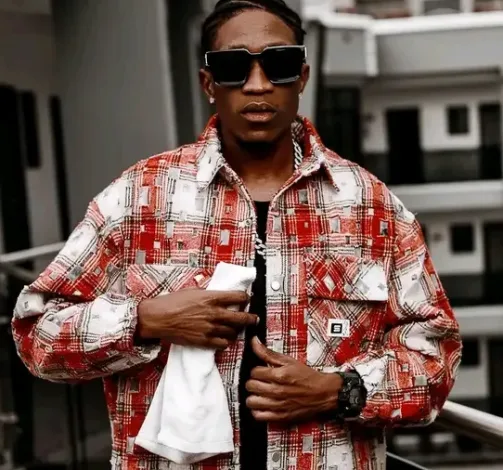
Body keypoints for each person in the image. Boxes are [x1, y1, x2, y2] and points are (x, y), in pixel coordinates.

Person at [12, 0, 462, 469]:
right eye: (233, 67)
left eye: (279, 63)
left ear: (302, 77)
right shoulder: (140, 197)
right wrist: (142, 321)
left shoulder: (370, 207)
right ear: (209, 83)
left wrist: (340, 390)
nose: (258, 84)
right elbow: (36, 335)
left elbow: (436, 354)